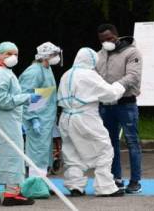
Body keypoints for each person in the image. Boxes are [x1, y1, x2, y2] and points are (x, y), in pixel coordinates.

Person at [0, 41, 41, 206]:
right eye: (9, 54)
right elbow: (0, 100)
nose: (13, 57)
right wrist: (25, 98)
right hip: (4, 121)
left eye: (16, 54)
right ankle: (12, 194)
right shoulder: (0, 74)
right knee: (13, 155)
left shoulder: (0, 71)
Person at [57, 47, 125, 197]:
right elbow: (110, 95)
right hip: (85, 117)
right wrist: (120, 86)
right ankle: (105, 187)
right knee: (104, 149)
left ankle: (75, 185)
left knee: (72, 152)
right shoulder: (89, 75)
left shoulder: (66, 75)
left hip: (65, 118)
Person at [96, 24, 143, 194]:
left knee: (132, 142)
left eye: (109, 39)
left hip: (126, 103)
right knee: (110, 143)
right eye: (102, 40)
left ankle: (135, 181)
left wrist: (115, 88)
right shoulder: (99, 55)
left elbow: (133, 76)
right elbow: (94, 77)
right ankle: (116, 178)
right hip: (106, 106)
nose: (106, 42)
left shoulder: (131, 52)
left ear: (116, 35)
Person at [19, 42, 60, 177]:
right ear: (46, 56)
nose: (57, 57)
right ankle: (35, 183)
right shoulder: (34, 71)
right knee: (37, 151)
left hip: (45, 118)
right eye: (54, 54)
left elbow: (44, 94)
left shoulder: (46, 69)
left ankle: (42, 182)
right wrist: (33, 118)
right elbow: (25, 96)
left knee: (43, 151)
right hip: (38, 119)